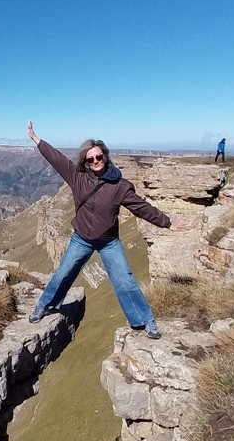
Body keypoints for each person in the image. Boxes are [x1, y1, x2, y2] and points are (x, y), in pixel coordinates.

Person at [26, 121, 187, 340]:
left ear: (106, 157)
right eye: (90, 159)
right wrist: (37, 140)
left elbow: (142, 207)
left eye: (99, 157)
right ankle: (45, 305)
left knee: (124, 279)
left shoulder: (119, 186)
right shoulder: (77, 178)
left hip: (108, 241)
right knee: (64, 272)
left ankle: (145, 320)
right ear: (85, 161)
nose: (95, 161)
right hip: (81, 238)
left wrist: (167, 223)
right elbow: (57, 159)